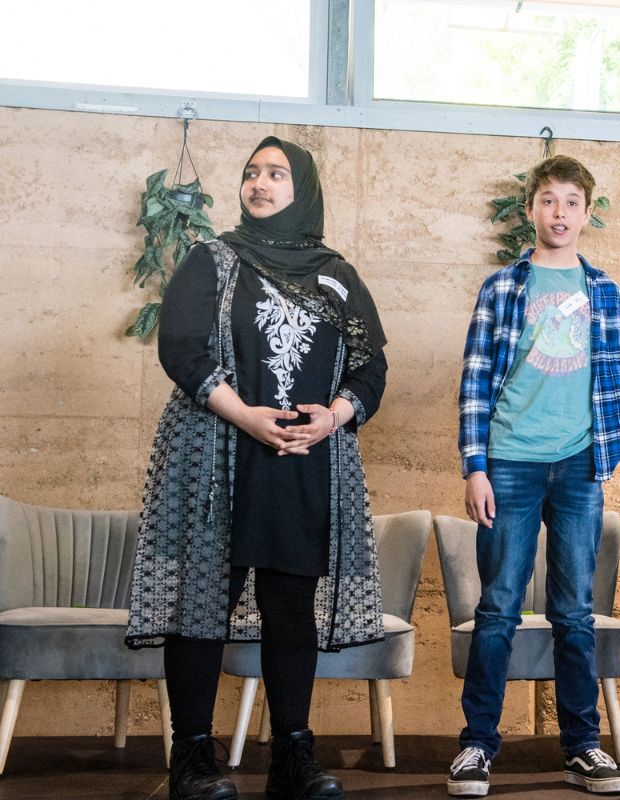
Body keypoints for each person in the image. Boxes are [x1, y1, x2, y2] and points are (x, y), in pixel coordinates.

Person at [126, 137, 388, 800]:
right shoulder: (213, 261)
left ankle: (293, 757)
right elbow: (182, 349)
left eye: (275, 173)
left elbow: (370, 367)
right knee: (202, 602)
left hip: (301, 461)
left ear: (301, 186)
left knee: (291, 605)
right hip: (218, 454)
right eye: (251, 173)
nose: (260, 183)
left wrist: (333, 416)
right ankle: (192, 760)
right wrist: (245, 414)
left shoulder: (336, 274)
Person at [448, 155, 620, 798]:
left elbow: (611, 379)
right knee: (497, 608)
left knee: (575, 613)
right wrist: (476, 466)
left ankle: (583, 747)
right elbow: (473, 382)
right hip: (511, 463)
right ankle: (476, 746)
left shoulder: (603, 290)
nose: (559, 213)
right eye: (548, 200)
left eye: (572, 202)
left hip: (580, 465)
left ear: (587, 212)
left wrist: (608, 452)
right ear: (531, 210)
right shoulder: (502, 288)